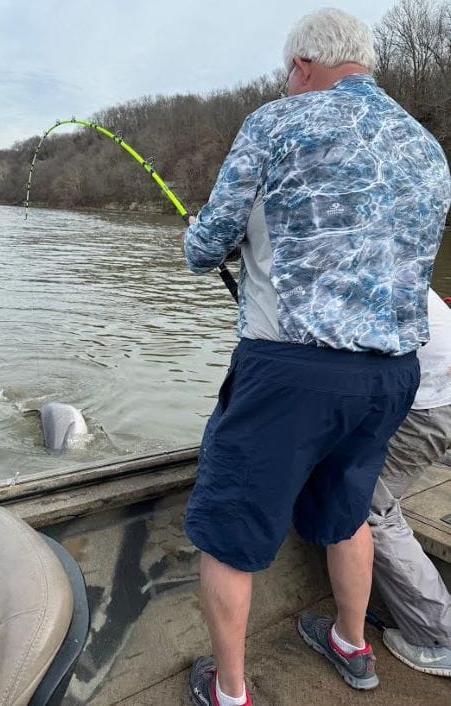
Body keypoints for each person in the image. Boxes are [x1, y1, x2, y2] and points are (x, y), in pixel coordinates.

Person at [182, 8, 451, 705]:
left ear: (301, 65)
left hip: (292, 374)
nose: (287, 81)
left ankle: (230, 691)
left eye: (288, 72)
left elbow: (208, 244)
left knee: (230, 530)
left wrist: (199, 236)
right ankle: (351, 643)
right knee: (350, 510)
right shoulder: (426, 147)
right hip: (394, 374)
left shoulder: (276, 122)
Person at [369, 289, 451, 676]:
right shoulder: (390, 247)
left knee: (373, 511)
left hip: (429, 402)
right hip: (437, 390)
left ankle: (438, 638)